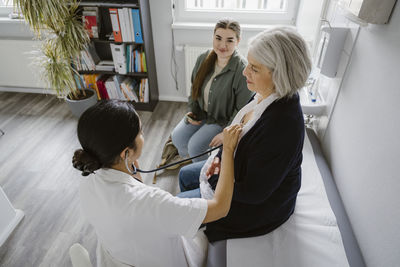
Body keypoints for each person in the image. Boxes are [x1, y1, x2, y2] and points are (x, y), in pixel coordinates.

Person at [178, 27, 312, 260]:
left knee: (177, 211)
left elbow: (253, 193)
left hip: (257, 204)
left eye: (254, 68)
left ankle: (192, 234)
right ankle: (193, 228)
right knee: (183, 175)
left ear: (280, 75)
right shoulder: (264, 92)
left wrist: (218, 172)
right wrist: (221, 156)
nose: (245, 72)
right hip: (236, 167)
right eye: (248, 64)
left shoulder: (282, 127)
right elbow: (241, 134)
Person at [72, 100, 242, 267]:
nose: (143, 135)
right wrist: (227, 150)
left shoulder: (88, 182)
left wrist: (131, 170)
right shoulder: (152, 203)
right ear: (125, 152)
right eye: (140, 132)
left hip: (122, 255)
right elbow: (220, 208)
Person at [171, 18, 253, 162]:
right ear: (213, 37)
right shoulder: (204, 58)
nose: (222, 45)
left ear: (238, 42)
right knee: (177, 137)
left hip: (222, 122)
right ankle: (190, 162)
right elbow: (194, 88)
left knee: (195, 146)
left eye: (229, 40)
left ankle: (201, 173)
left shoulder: (241, 69)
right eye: (218, 38)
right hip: (201, 114)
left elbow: (243, 111)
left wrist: (226, 133)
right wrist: (192, 111)